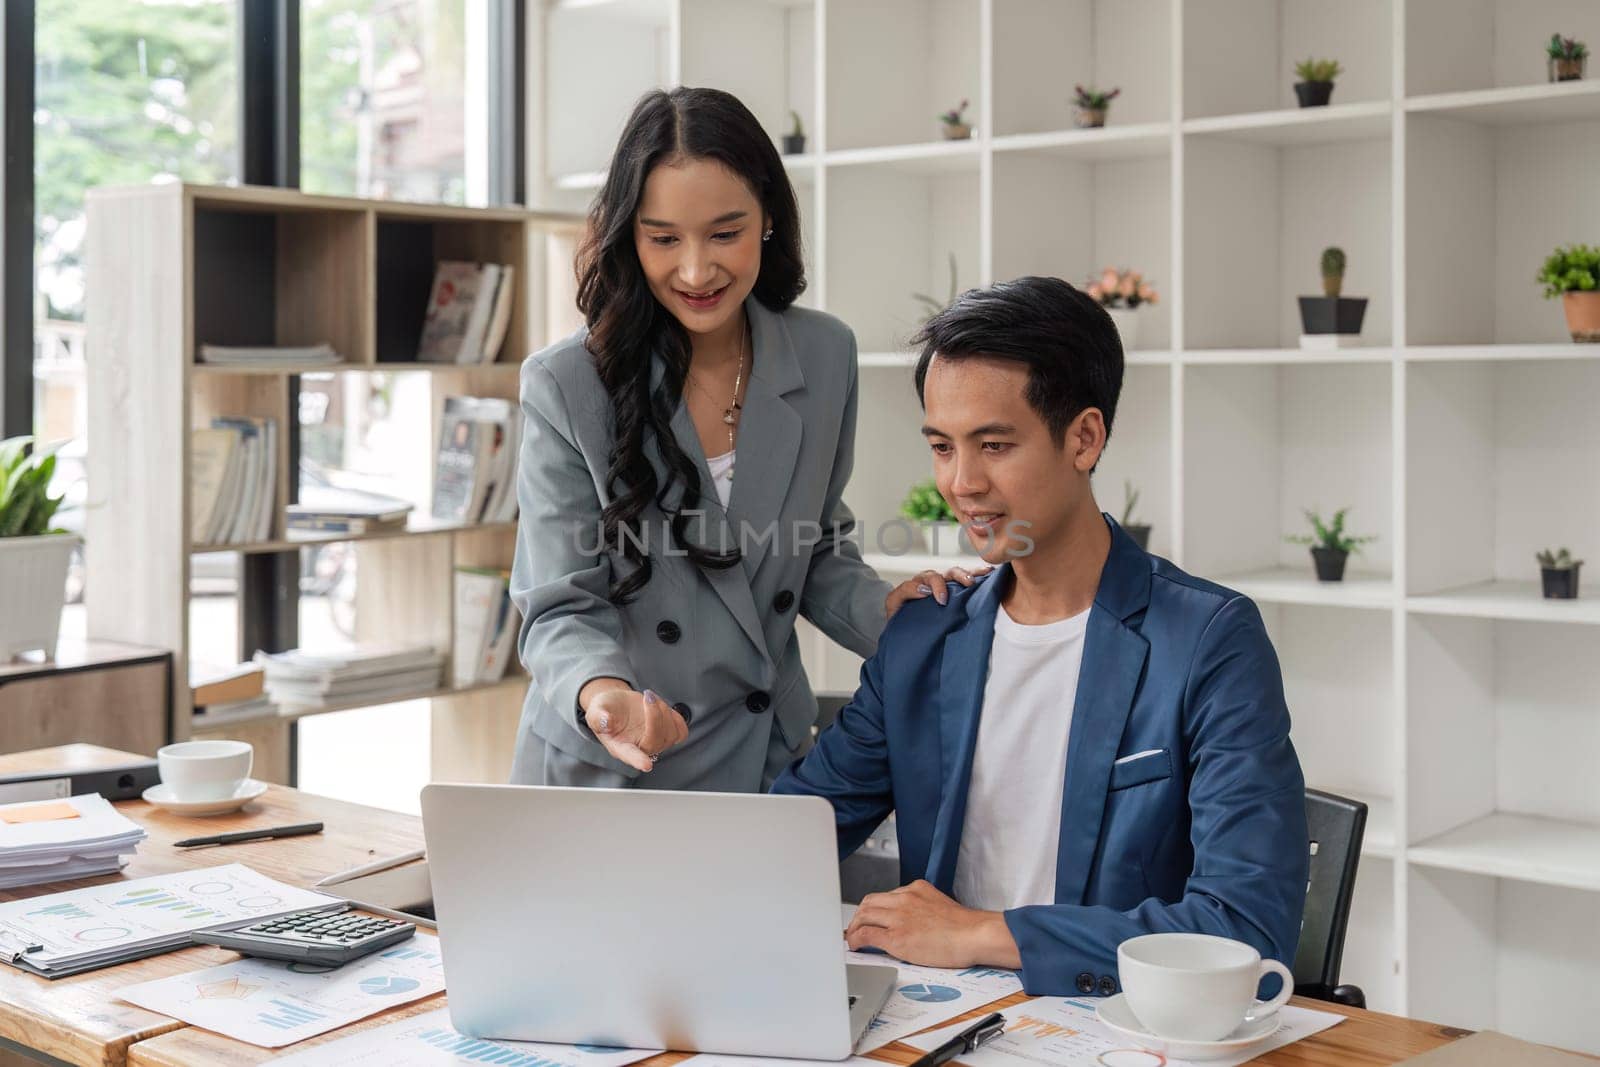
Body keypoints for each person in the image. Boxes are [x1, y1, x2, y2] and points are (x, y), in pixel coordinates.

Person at [773, 276, 1308, 996]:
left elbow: (1245, 928)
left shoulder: (1209, 640)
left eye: (994, 444)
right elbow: (783, 838)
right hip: (940, 1023)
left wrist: (981, 931)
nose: (960, 483)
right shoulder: (925, 636)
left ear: (1084, 438)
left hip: (1115, 1029)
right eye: (941, 446)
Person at [509, 87, 984, 791]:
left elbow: (810, 545)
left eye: (724, 233)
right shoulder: (566, 384)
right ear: (628, 234)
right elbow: (559, 601)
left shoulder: (823, 354)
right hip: (612, 767)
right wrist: (602, 693)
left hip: (763, 755)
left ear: (767, 217)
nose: (696, 271)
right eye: (663, 238)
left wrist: (883, 608)